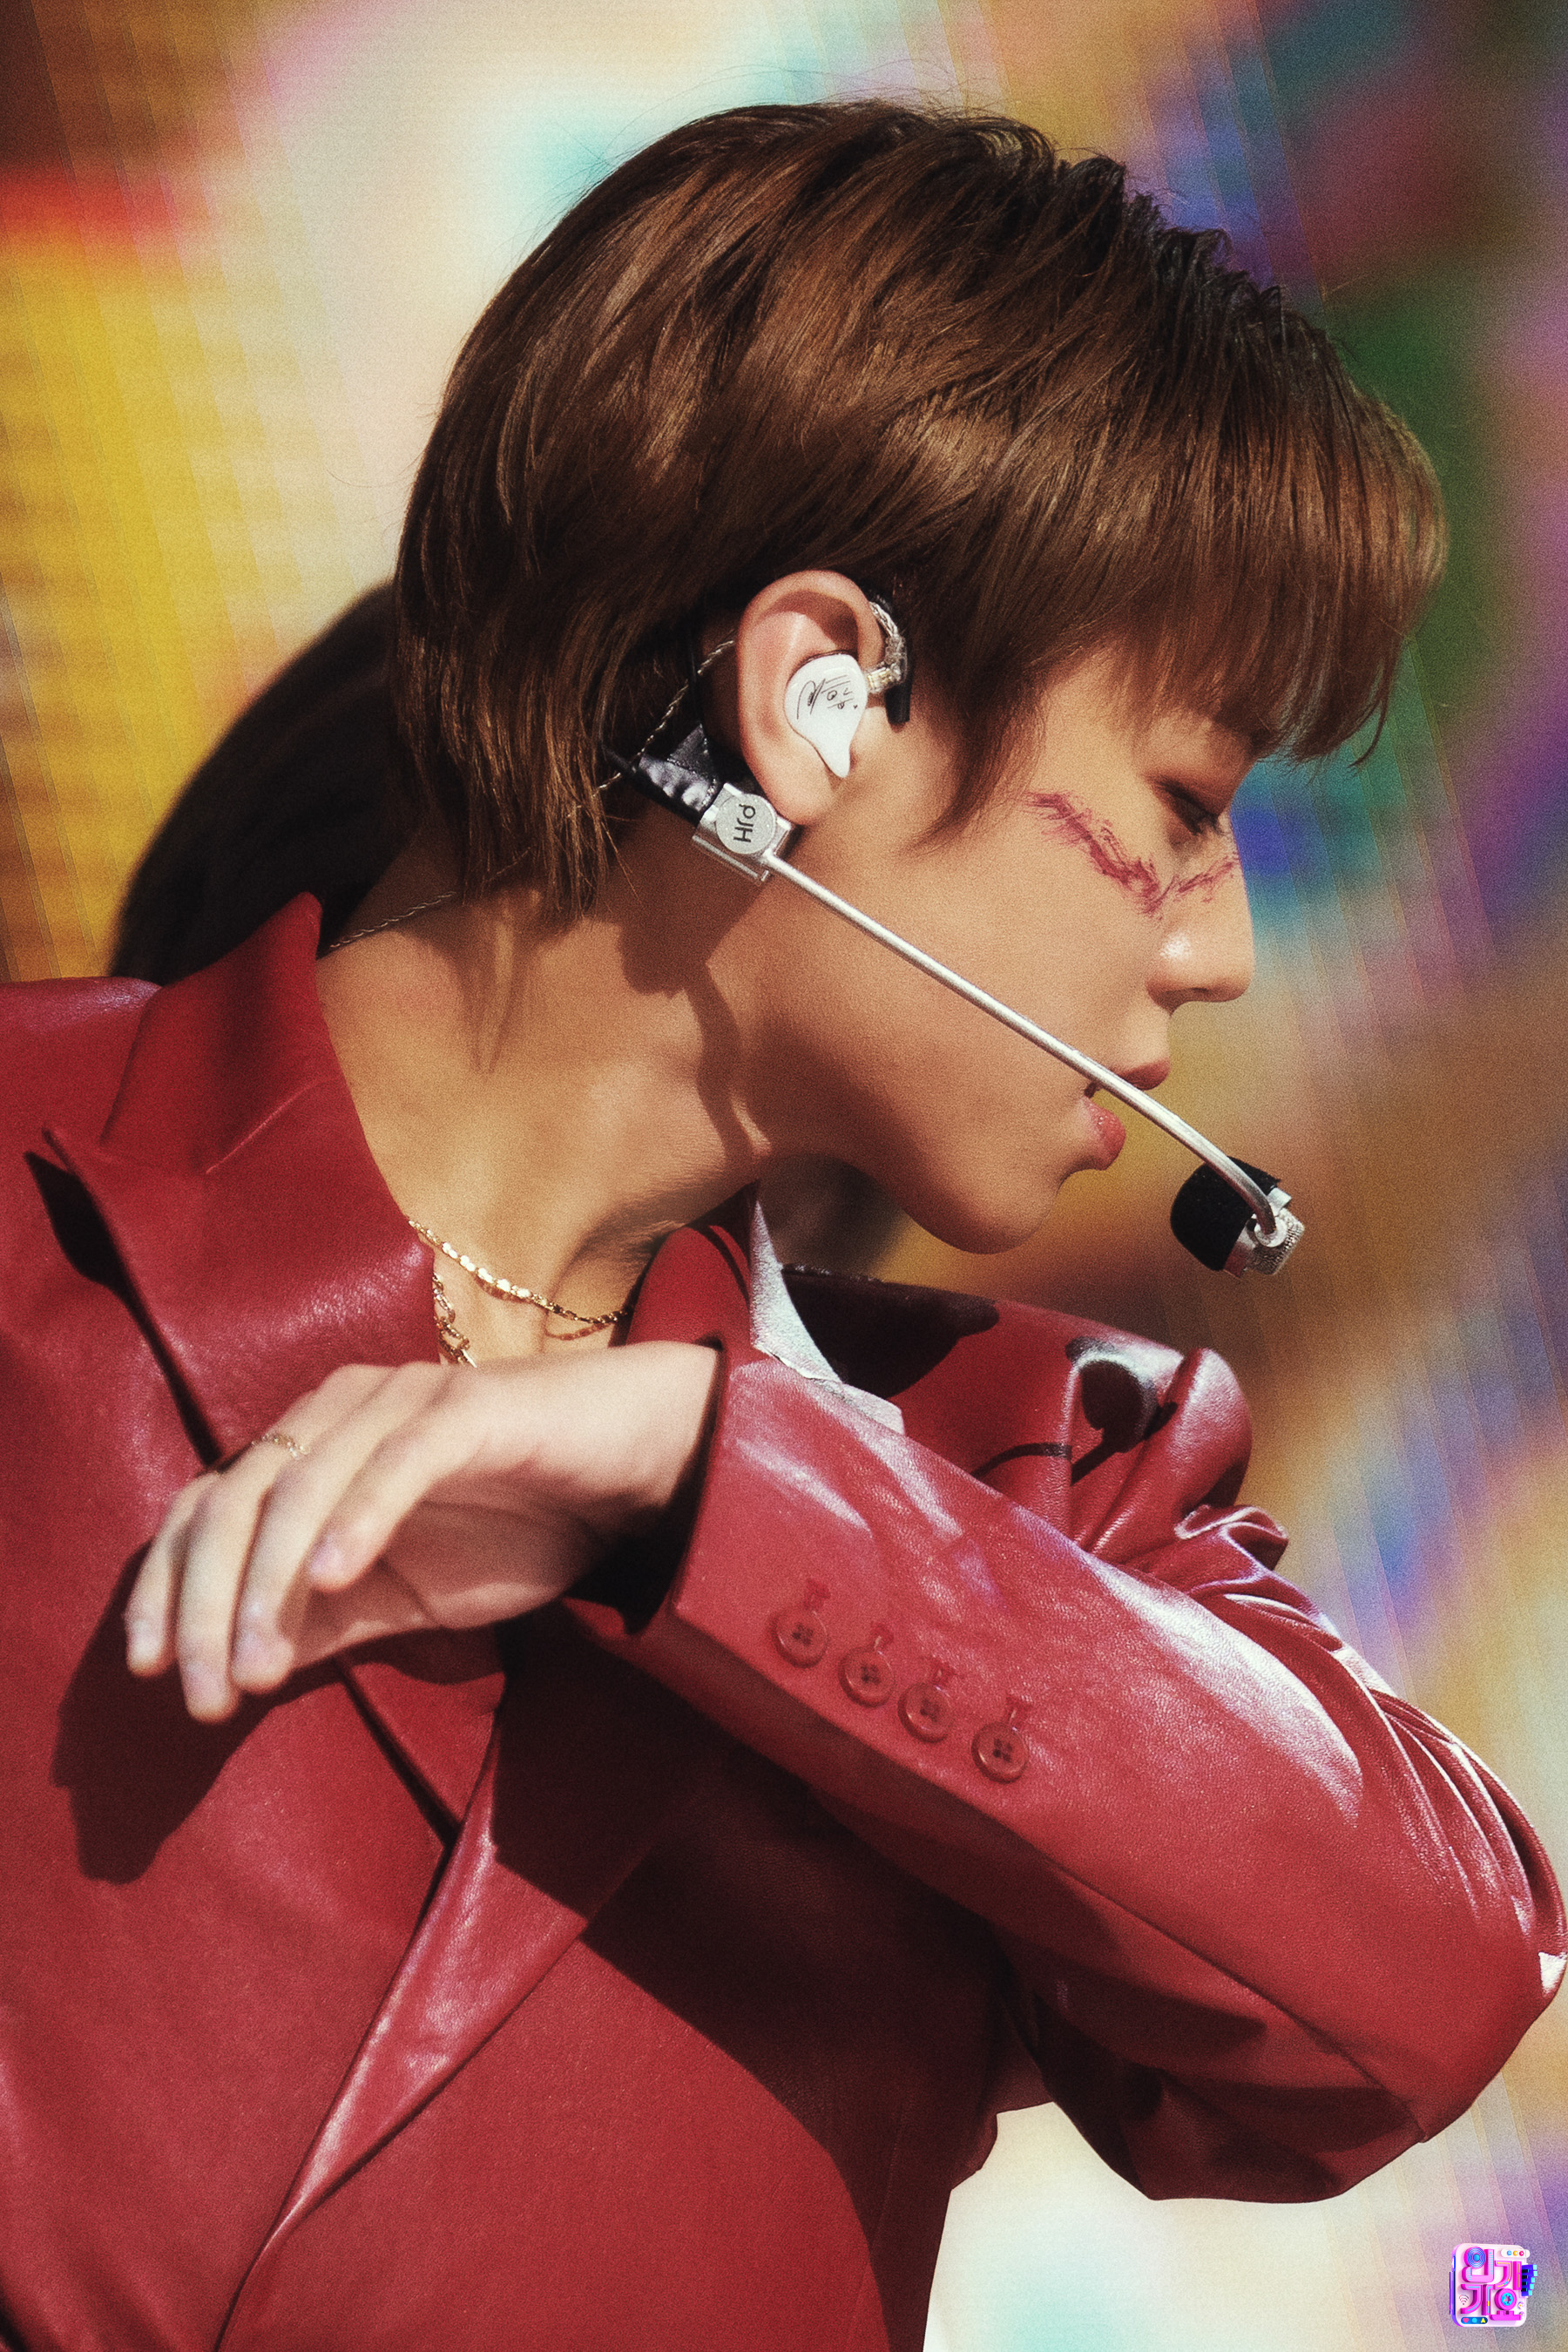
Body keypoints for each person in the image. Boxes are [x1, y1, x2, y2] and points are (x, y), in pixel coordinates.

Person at [3, 100, 1560, 2352]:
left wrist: (722, 1488)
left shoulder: (1041, 1483)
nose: (1217, 954)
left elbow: (1431, 1978)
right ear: (819, 697)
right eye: (1181, 804)